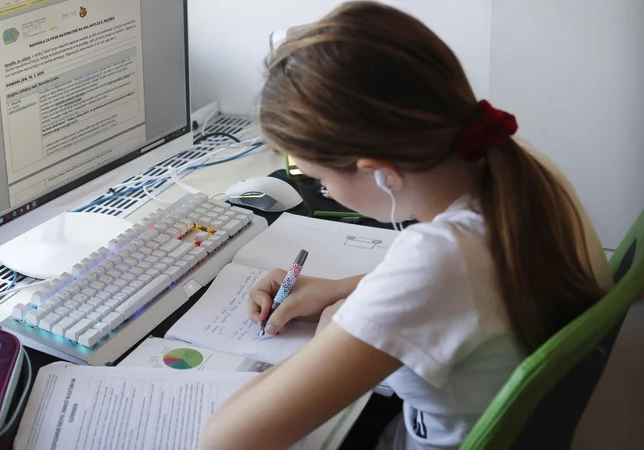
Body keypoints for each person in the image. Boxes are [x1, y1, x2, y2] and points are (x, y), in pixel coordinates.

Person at [199, 2, 613, 450]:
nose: (325, 192)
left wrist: (334, 338)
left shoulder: (437, 260)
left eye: (321, 178)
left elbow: (227, 440)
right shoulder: (523, 168)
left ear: (381, 172)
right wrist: (345, 289)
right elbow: (465, 288)